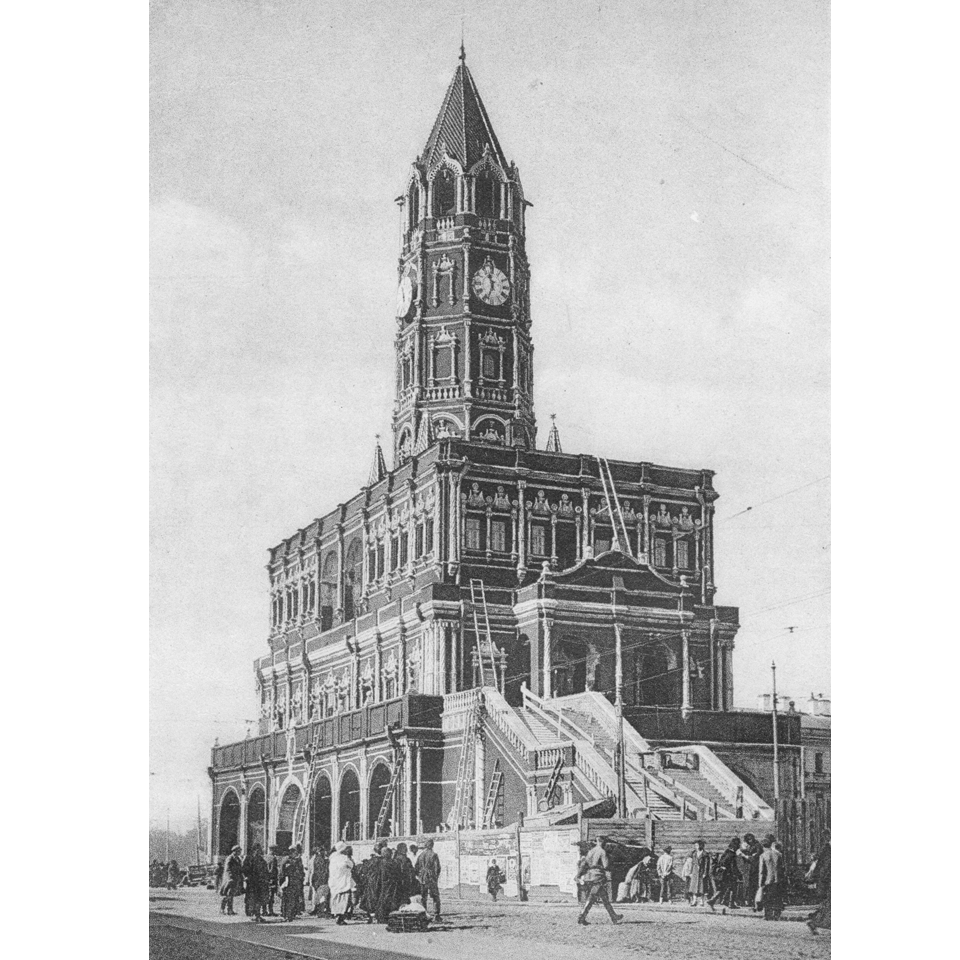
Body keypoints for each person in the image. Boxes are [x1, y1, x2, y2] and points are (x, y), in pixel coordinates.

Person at [576, 837, 624, 926]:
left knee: (605, 898)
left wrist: (578, 875)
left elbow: (583, 864)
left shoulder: (590, 851)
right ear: (603, 842)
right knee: (591, 897)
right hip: (598, 877)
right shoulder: (602, 852)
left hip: (588, 876)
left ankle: (614, 916)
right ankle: (582, 915)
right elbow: (606, 866)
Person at [806, 831, 831, 935]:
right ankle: (815, 921)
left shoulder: (827, 849)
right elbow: (823, 866)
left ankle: (814, 921)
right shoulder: (826, 849)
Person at [707, 838, 741, 914]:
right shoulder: (732, 855)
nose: (738, 847)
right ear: (734, 846)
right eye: (737, 845)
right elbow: (733, 866)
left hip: (722, 874)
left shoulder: (726, 852)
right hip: (728, 874)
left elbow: (720, 863)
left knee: (723, 888)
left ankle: (714, 900)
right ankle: (727, 903)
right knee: (732, 888)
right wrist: (738, 874)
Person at [328, 842, 356, 925]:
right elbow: (351, 865)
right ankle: (341, 917)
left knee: (335, 899)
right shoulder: (344, 858)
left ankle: (336, 914)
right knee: (344, 900)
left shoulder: (332, 858)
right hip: (343, 882)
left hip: (334, 881)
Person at [415, 838, 442, 921]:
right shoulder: (433, 855)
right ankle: (436, 915)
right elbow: (437, 868)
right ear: (431, 845)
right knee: (435, 896)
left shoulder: (421, 855)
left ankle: (423, 914)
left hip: (422, 878)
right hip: (431, 878)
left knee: (423, 897)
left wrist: (420, 875)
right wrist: (435, 877)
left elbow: (416, 867)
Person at [758, 837, 783, 921]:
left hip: (768, 880)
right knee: (777, 897)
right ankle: (777, 915)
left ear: (763, 846)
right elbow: (782, 868)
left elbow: (762, 871)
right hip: (778, 879)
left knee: (767, 898)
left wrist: (760, 883)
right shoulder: (779, 854)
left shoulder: (763, 856)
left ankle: (767, 915)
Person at [377, 848, 404, 922]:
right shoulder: (388, 862)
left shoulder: (382, 862)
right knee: (388, 899)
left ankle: (382, 916)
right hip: (389, 883)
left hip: (385, 883)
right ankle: (385, 916)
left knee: (385, 898)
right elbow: (395, 870)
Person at [738, 834, 761, 912]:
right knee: (748, 885)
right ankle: (748, 900)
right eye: (748, 840)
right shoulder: (747, 846)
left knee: (754, 885)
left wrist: (747, 856)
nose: (749, 841)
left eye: (750, 839)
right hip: (748, 869)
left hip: (754, 868)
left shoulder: (757, 845)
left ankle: (754, 902)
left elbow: (756, 856)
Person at [220, 845, 243, 915]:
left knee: (231, 895)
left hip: (235, 879)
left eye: (240, 851)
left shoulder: (238, 859)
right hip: (229, 880)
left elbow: (240, 869)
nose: (240, 852)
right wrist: (230, 878)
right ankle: (222, 909)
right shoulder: (229, 858)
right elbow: (227, 869)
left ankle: (230, 910)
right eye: (239, 851)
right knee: (227, 895)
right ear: (234, 851)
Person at [308, 846, 330, 917]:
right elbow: (322, 871)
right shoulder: (320, 860)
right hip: (320, 880)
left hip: (317, 880)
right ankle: (320, 911)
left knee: (318, 896)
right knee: (321, 896)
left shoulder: (316, 859)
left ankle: (317, 909)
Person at [689, 840, 711, 907]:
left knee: (702, 887)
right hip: (695, 872)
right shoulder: (694, 854)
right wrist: (691, 872)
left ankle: (701, 901)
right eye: (695, 845)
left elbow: (707, 865)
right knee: (694, 887)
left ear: (701, 846)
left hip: (701, 872)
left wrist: (705, 873)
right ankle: (694, 901)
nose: (696, 847)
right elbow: (692, 863)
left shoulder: (705, 854)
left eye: (697, 845)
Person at [264, 846, 279, 916]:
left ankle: (264, 911)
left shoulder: (265, 857)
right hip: (271, 879)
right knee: (271, 895)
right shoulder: (273, 858)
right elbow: (272, 870)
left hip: (265, 878)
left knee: (265, 895)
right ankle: (270, 910)